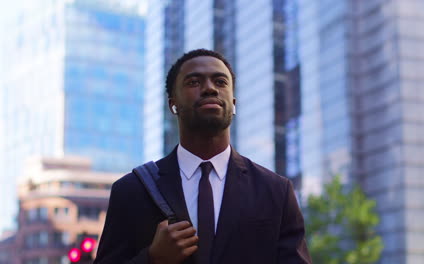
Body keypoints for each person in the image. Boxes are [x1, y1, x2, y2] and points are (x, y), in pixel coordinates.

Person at [94, 49, 312, 264]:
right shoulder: (132, 190)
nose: (210, 88)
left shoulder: (275, 191)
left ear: (233, 104)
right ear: (173, 104)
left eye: (220, 82)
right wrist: (153, 259)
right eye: (193, 82)